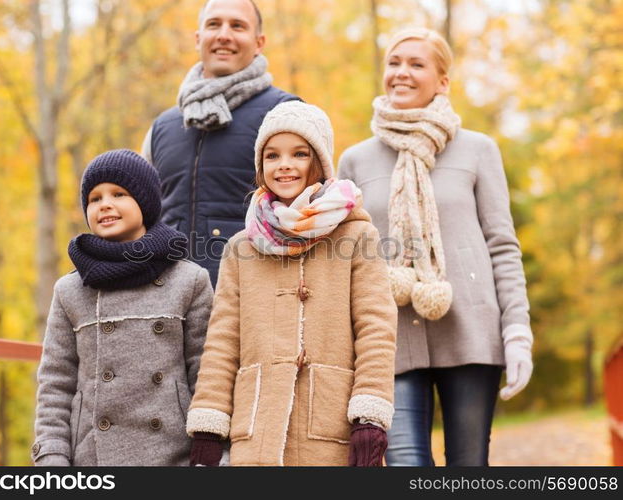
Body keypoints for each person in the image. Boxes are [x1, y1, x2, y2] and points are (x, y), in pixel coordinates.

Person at [338, 28, 534, 466]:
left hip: (470, 331)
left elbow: (502, 245)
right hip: (390, 338)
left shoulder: (478, 150)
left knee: (467, 466)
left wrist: (517, 331)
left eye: (416, 64)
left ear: (443, 80)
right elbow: (349, 260)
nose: (401, 73)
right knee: (407, 463)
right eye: (394, 62)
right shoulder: (355, 160)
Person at [184, 101, 397, 466]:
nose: (284, 164)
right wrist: (208, 422)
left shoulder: (357, 235)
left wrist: (370, 416)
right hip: (257, 430)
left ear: (320, 163)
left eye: (299, 153)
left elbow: (376, 328)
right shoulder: (241, 248)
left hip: (331, 426)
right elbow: (222, 341)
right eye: (272, 155)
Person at [32, 149, 213, 466]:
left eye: (119, 193)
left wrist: (210, 453)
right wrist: (51, 457)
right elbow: (55, 384)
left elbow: (206, 376)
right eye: (94, 198)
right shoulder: (70, 290)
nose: (105, 204)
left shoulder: (189, 280)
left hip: (174, 454)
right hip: (93, 460)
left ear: (144, 203)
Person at [141, 0, 298, 288]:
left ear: (259, 42)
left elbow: (311, 213)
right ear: (198, 38)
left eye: (237, 26)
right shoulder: (162, 127)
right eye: (214, 24)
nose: (224, 34)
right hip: (169, 303)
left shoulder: (284, 113)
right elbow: (142, 222)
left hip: (253, 298)